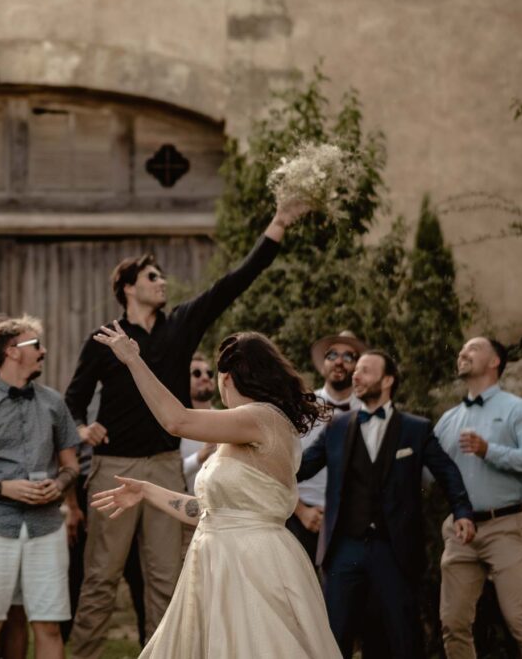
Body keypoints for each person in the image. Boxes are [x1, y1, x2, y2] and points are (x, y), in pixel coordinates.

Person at [65, 201, 306, 657]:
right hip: (115, 465)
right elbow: (73, 397)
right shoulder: (108, 339)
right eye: (153, 277)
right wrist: (82, 427)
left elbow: (231, 284)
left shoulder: (180, 326)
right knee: (100, 577)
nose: (163, 283)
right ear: (128, 286)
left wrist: (276, 225)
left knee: (168, 578)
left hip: (163, 464)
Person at [90, 326, 340, 657]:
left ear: (226, 378)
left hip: (251, 564)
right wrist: (148, 491)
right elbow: (212, 513)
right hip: (218, 559)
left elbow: (176, 421)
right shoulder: (249, 427)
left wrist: (133, 360)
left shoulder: (260, 417)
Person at [298, 350, 476, 658]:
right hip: (344, 548)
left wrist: (462, 511)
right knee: (332, 635)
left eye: (365, 371)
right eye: (357, 371)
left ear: (388, 380)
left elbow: (447, 471)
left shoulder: (415, 428)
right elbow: (299, 467)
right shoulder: (336, 428)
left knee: (402, 637)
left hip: (394, 548)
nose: (356, 375)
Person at [0, 316, 81, 659]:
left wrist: (60, 484)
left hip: (46, 527)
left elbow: (71, 466)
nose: (44, 351)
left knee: (49, 625)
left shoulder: (54, 403)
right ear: (12, 352)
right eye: (36, 345)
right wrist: (3, 489)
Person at [434, 337, 522, 659]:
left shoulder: (515, 409)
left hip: (505, 526)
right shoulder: (447, 420)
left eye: (473, 348)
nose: (462, 352)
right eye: (461, 349)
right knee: (453, 622)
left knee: (519, 619)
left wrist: (490, 451)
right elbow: (430, 474)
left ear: (494, 362)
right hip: (460, 531)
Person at [288, 331, 365, 562]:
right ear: (323, 364)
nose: (339, 361)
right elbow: (281, 465)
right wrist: (301, 511)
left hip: (351, 522)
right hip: (301, 516)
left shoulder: (370, 411)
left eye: (348, 356)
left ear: (358, 367)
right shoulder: (301, 409)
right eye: (332, 355)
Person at [180, 352, 218, 494]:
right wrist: (200, 456)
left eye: (209, 373)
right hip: (182, 510)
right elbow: (165, 475)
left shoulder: (226, 418)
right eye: (196, 373)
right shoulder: (175, 423)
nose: (205, 377)